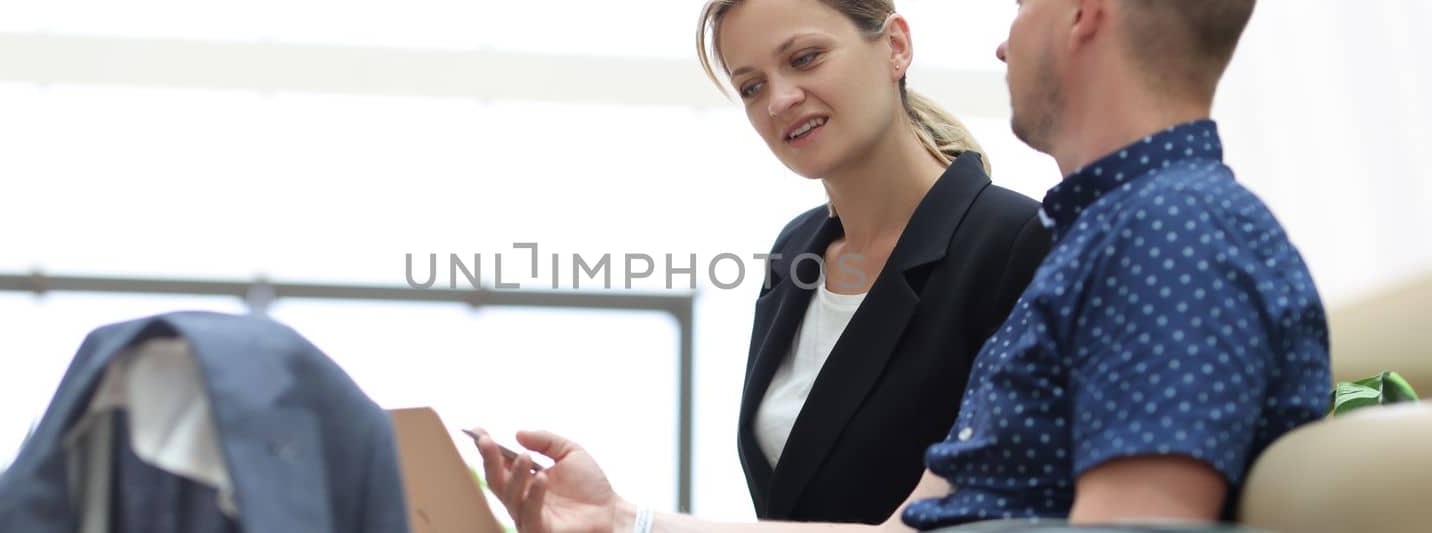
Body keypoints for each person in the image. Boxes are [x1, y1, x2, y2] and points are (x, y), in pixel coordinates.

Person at [473, 0, 1332, 531]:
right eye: (749, 85)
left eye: (1024, 1)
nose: (1000, 45)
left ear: (1084, 13)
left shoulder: (1165, 233)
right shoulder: (1114, 239)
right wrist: (624, 522)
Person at [696, 0, 1051, 524]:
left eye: (805, 58)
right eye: (752, 87)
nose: (779, 100)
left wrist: (632, 521)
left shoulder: (1019, 243)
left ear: (896, 46)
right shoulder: (795, 250)